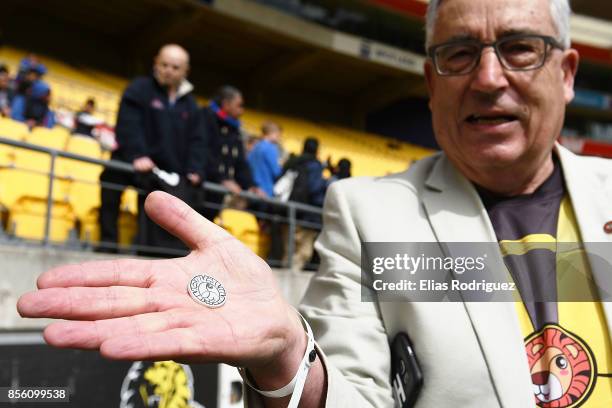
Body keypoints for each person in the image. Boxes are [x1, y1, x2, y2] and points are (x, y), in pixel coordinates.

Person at [17, 1, 612, 407]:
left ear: (565, 73)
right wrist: (288, 362)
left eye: (520, 48)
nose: (487, 77)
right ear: (431, 84)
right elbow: (355, 393)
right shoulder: (371, 215)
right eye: (458, 53)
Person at [98, 44, 205, 255]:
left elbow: (198, 141)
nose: (168, 70)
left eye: (175, 67)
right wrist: (137, 154)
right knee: (110, 181)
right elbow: (128, 124)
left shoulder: (191, 105)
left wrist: (195, 168)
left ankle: (151, 251)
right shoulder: (139, 88)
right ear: (156, 62)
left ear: (185, 71)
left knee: (160, 206)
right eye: (164, 64)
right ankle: (107, 246)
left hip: (167, 170)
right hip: (134, 159)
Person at [200, 86, 264, 220]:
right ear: (226, 104)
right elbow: (203, 152)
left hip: (216, 196)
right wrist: (222, 179)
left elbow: (240, 161)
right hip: (200, 190)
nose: (242, 110)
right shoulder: (205, 118)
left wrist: (251, 185)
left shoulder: (234, 128)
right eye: (239, 105)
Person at [280, 137, 328, 270]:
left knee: (288, 251)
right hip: (306, 215)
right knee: (304, 252)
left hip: (287, 210)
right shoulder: (314, 166)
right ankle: (289, 280)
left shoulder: (292, 162)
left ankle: (285, 278)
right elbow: (314, 189)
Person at [248, 121, 282, 198]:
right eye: (278, 135)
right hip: (265, 191)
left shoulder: (256, 146)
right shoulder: (271, 148)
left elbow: (248, 164)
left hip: (252, 188)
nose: (279, 138)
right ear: (272, 133)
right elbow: (276, 172)